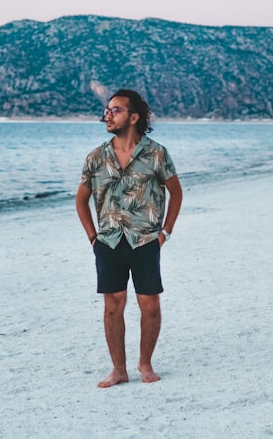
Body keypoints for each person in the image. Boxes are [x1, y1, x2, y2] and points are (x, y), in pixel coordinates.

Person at [76, 89, 183, 388]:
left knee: (150, 304)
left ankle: (145, 363)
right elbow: (81, 200)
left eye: (116, 110)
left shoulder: (157, 153)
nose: (108, 114)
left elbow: (177, 193)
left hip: (145, 241)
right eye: (108, 110)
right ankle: (119, 369)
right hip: (108, 242)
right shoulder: (97, 157)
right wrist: (92, 238)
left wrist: (165, 232)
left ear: (134, 117)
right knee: (113, 306)